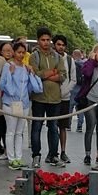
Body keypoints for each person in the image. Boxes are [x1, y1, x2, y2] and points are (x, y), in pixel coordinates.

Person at [29, 28, 64, 168]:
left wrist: (48, 74)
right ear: (38, 41)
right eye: (43, 40)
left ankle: (53, 155)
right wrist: (51, 72)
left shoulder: (57, 57)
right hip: (39, 97)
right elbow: (36, 74)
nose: (46, 43)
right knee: (36, 126)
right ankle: (36, 155)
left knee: (53, 127)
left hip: (55, 98)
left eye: (48, 40)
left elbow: (62, 75)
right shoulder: (34, 56)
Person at [0, 40, 36, 169]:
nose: (21, 55)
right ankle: (11, 158)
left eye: (23, 53)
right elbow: (2, 84)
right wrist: (11, 73)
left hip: (24, 103)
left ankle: (19, 157)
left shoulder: (26, 67)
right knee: (11, 131)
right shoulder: (8, 66)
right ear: (14, 52)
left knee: (20, 132)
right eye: (19, 52)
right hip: (11, 102)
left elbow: (29, 86)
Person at [52, 34, 75, 164]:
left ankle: (63, 151)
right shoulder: (50, 57)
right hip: (51, 97)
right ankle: (52, 152)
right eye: (58, 44)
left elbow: (73, 79)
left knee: (63, 126)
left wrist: (64, 91)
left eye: (62, 45)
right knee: (52, 126)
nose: (60, 47)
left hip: (64, 97)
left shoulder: (70, 60)